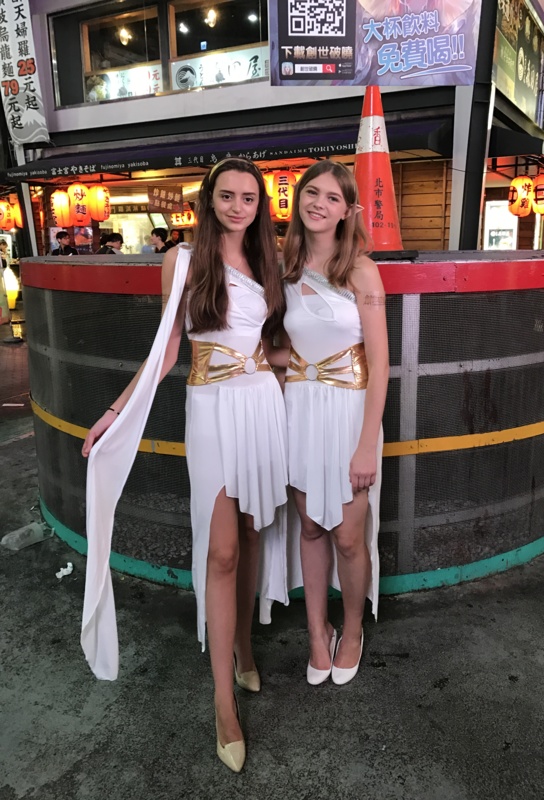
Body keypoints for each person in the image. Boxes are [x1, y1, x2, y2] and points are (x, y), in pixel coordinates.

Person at [81, 158, 288, 773]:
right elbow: (167, 348)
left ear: (259, 205)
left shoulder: (270, 257)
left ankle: (244, 646)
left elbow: (271, 339)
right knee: (221, 550)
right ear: (209, 199)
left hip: (263, 403)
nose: (238, 206)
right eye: (227, 195)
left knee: (252, 531)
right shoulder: (183, 259)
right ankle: (223, 701)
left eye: (248, 197)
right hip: (212, 408)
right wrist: (117, 411)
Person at [273, 160, 389, 686]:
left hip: (349, 415)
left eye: (332, 197)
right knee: (311, 527)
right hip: (299, 409)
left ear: (347, 211)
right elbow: (278, 346)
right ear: (298, 199)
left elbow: (380, 365)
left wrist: (366, 445)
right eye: (311, 192)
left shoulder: (362, 270)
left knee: (347, 537)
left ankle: (353, 630)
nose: (318, 203)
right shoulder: (284, 268)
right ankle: (317, 634)